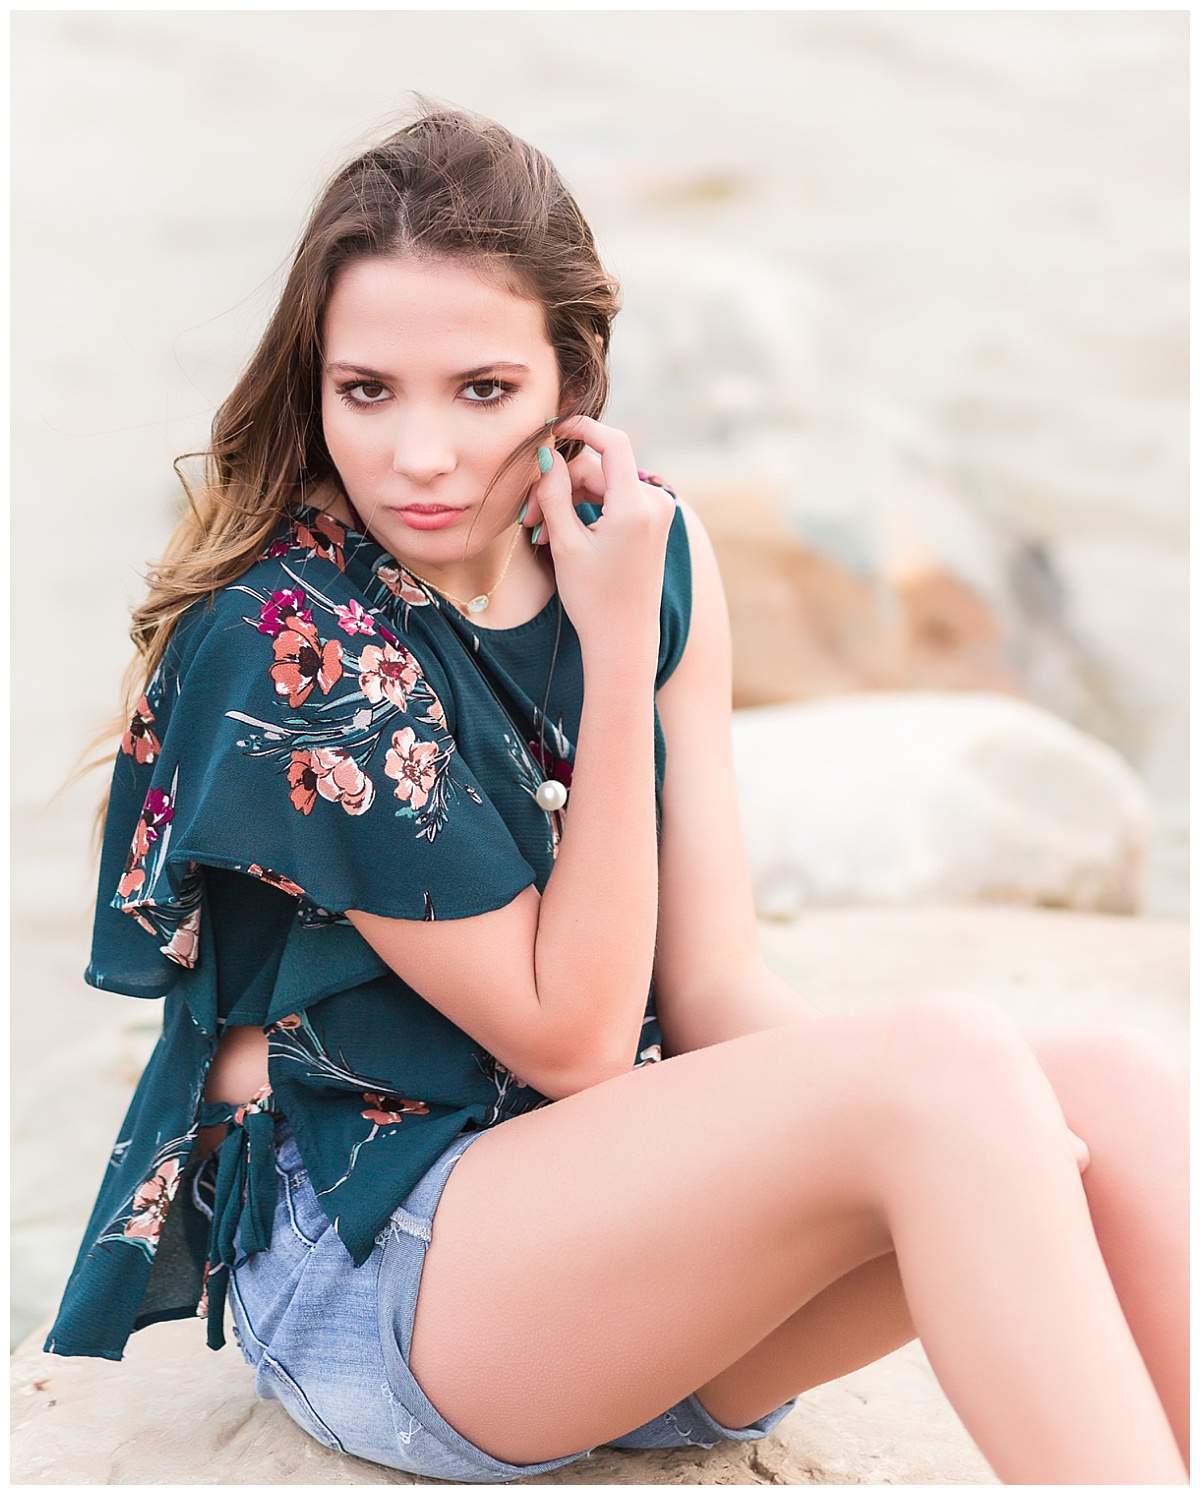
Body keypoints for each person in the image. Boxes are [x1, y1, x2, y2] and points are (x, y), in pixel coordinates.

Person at [48, 106, 1187, 1485]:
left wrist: (946, 1126)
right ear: (316, 384)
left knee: (1107, 1093)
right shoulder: (292, 641)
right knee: (943, 1070)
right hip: (389, 1276)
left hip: (618, 1252)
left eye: (480, 390)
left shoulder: (654, 545)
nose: (419, 454)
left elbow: (710, 991)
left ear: (569, 381)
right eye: (367, 391)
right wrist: (606, 646)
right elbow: (575, 1038)